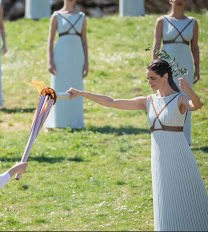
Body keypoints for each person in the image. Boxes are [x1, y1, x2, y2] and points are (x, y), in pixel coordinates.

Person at [67, 59, 208, 231]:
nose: (149, 82)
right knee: (165, 198)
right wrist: (81, 93)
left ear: (165, 76)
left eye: (153, 78)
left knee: (187, 195)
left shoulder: (180, 99)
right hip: (159, 158)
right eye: (147, 78)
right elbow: (111, 102)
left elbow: (197, 105)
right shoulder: (147, 101)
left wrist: (189, 91)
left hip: (179, 155)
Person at [152, 0, 200, 145]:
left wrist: (197, 68)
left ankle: (185, 139)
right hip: (167, 66)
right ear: (170, 0)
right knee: (167, 98)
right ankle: (167, 136)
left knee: (185, 99)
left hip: (186, 66)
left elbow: (195, 47)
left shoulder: (193, 22)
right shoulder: (162, 21)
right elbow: (155, 46)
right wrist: (154, 69)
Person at [45, 0, 89, 129]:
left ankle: (75, 123)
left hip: (77, 56)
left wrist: (86, 62)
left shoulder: (81, 17)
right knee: (59, 86)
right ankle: (57, 122)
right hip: (61, 55)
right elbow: (50, 40)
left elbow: (84, 41)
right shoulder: (56, 16)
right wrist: (49, 61)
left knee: (75, 87)